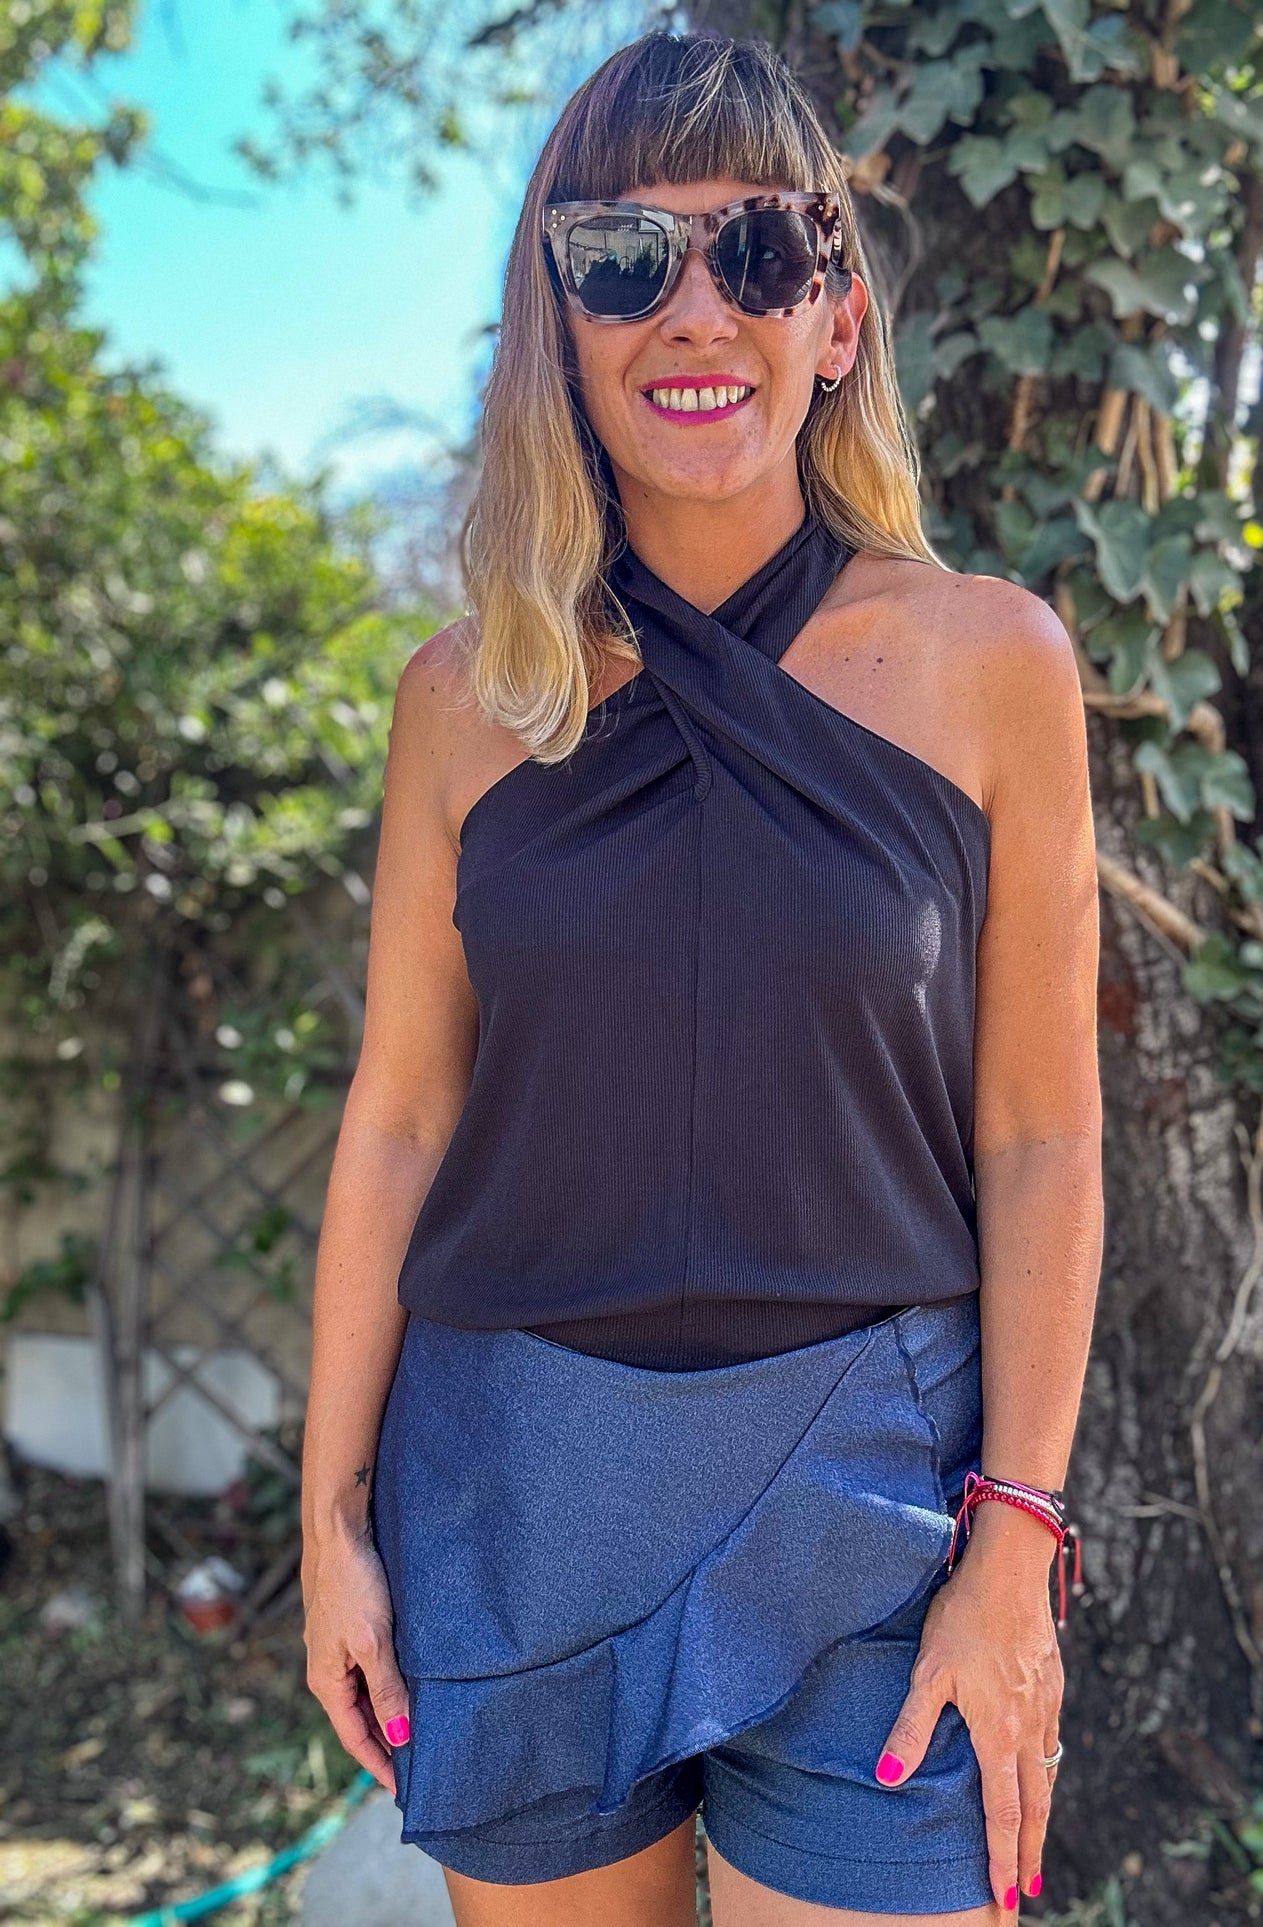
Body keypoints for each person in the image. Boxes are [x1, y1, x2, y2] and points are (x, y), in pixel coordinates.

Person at [300, 27, 1103, 1927]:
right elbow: (402, 1115)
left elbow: (1042, 1131)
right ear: (557, 319)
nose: (695, 311)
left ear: (834, 312)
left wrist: (1016, 1535)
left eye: (756, 249)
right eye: (621, 258)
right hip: (516, 1494)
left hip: (882, 1495)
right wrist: (328, 1518)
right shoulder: (463, 700)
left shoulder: (993, 663)